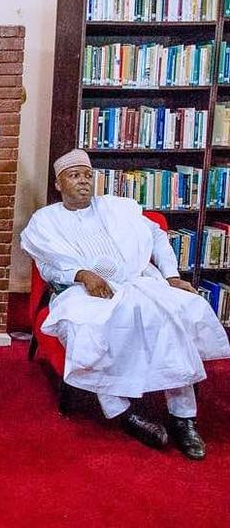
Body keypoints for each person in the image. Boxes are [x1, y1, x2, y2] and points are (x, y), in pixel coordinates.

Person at [21, 148, 230, 460]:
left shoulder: (118, 208)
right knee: (93, 330)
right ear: (58, 184)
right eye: (74, 176)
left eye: (88, 176)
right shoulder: (45, 221)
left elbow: (158, 238)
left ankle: (183, 418)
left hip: (138, 282)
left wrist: (171, 276)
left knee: (172, 319)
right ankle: (125, 414)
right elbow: (49, 268)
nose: (83, 182)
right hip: (83, 291)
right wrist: (83, 274)